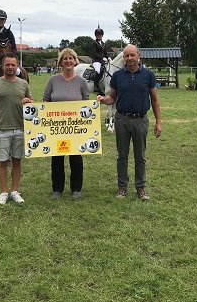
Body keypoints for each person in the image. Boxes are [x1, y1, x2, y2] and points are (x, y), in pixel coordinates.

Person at [97, 44, 162, 201]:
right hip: (122, 119)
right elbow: (112, 97)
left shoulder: (148, 75)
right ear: (123, 58)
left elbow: (154, 100)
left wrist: (158, 122)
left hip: (141, 119)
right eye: (126, 56)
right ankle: (122, 187)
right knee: (122, 156)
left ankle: (141, 187)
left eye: (132, 55)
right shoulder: (118, 76)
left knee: (140, 156)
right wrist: (104, 100)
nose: (130, 58)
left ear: (138, 55)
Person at [0, 52, 33, 205]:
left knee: (17, 161)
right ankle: (4, 192)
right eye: (8, 65)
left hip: (20, 128)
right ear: (3, 66)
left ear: (17, 66)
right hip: (2, 129)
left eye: (13, 65)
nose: (10, 67)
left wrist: (28, 101)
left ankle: (14, 191)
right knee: (2, 162)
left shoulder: (23, 84)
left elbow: (31, 103)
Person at [43, 48, 90, 200]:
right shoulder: (53, 80)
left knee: (76, 157)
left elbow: (86, 104)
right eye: (65, 58)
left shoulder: (82, 82)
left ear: (75, 61)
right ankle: (57, 188)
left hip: (75, 128)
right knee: (57, 158)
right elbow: (45, 101)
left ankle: (76, 188)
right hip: (56, 128)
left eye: (71, 58)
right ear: (61, 61)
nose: (68, 61)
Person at [91, 25, 109, 94]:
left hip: (102, 61)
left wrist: (108, 58)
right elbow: (94, 53)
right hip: (96, 61)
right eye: (98, 35)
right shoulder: (94, 43)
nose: (99, 36)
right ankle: (96, 86)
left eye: (100, 35)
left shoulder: (104, 44)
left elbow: (105, 53)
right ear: (96, 36)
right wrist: (102, 58)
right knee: (98, 70)